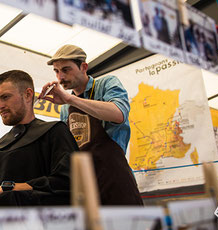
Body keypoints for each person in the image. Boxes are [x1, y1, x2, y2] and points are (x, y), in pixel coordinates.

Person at [0, 70, 79, 217]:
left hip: (22, 215)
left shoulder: (54, 132)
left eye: (5, 97)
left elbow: (67, 181)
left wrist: (7, 188)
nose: (0, 106)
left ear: (28, 95)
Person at [39, 45, 143, 206]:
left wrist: (70, 99)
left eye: (66, 70)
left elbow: (118, 113)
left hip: (115, 181)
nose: (60, 77)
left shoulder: (106, 84)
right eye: (57, 71)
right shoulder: (66, 109)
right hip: (85, 185)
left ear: (83, 67)